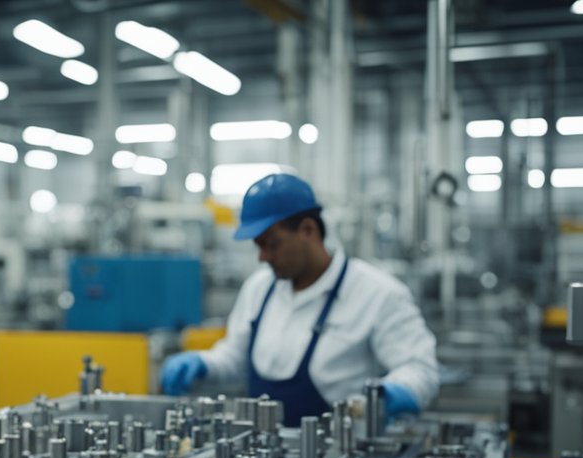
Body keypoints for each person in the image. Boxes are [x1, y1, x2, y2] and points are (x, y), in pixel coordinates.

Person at [160, 173, 438, 426]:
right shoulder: (259, 288)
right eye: (258, 245)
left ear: (307, 230)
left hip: (340, 457)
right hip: (261, 456)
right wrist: (202, 364)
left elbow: (419, 369)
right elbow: (236, 357)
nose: (263, 257)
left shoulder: (377, 294)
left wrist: (392, 393)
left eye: (272, 244)